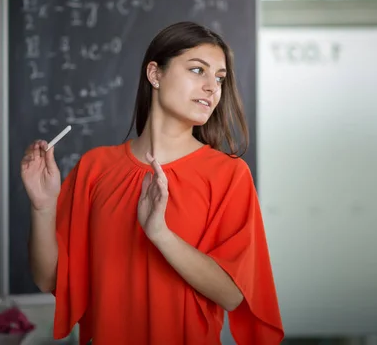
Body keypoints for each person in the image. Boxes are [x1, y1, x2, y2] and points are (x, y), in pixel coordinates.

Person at [21, 21, 284, 345]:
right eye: (198, 70)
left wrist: (160, 234)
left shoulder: (229, 175)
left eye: (219, 78)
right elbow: (48, 277)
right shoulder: (95, 167)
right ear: (155, 74)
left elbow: (232, 295)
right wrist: (43, 207)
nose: (212, 87)